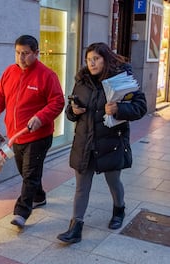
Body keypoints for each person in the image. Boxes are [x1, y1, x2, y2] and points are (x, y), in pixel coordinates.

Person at [57, 42, 147, 243]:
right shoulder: (81, 81)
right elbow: (70, 111)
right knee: (81, 186)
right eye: (89, 60)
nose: (92, 63)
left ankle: (119, 209)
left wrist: (119, 109)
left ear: (106, 58)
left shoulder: (121, 80)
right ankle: (76, 226)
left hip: (111, 142)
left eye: (96, 59)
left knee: (113, 181)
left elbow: (141, 107)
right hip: (85, 142)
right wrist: (73, 111)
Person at [0, 35, 65, 228]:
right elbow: (0, 94)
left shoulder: (47, 75)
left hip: (38, 135)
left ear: (36, 53)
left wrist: (40, 117)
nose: (21, 58)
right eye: (18, 53)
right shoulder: (9, 72)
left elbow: (58, 102)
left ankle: (22, 212)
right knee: (25, 171)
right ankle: (38, 196)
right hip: (16, 135)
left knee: (29, 173)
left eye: (26, 54)